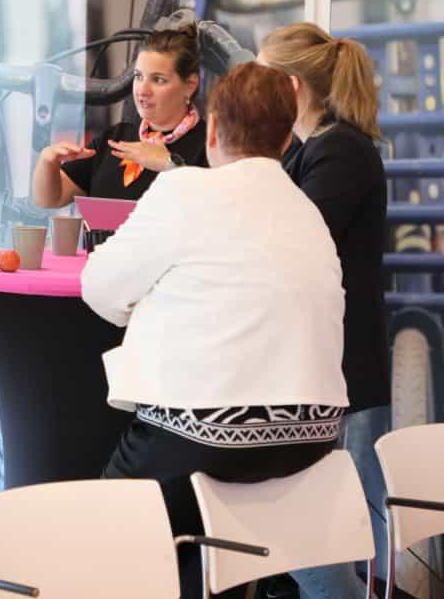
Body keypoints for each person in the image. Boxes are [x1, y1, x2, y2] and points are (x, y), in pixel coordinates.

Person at [82, 63, 351, 598]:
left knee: (107, 535)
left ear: (210, 132)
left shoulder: (185, 189)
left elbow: (99, 286)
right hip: (310, 439)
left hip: (209, 433)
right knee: (202, 544)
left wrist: (145, 307)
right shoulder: (305, 209)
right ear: (285, 138)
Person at [258, 22, 388, 598]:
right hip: (329, 370)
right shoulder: (314, 149)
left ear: (289, 87)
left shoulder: (339, 150)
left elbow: (296, 237)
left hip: (343, 373)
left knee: (330, 542)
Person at [32, 26, 207, 209]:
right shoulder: (115, 138)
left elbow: (217, 209)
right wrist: (47, 162)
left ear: (190, 85)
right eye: (138, 76)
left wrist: (169, 165)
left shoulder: (208, 145)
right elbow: (50, 199)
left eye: (158, 80)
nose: (142, 90)